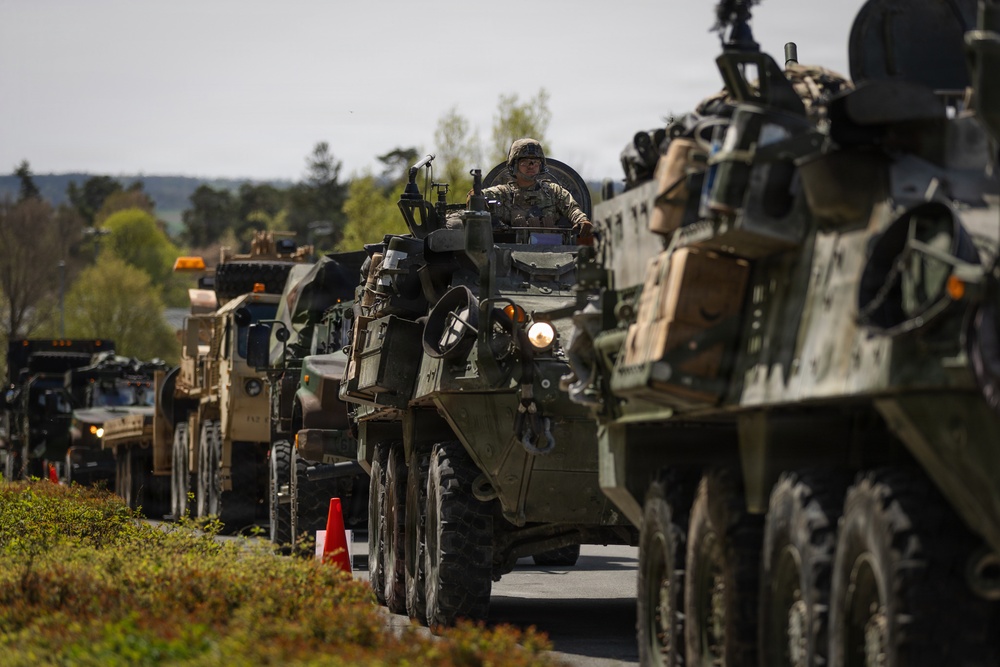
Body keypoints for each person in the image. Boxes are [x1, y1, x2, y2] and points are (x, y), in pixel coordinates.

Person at [481, 138, 594, 238]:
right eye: (524, 162)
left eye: (535, 162)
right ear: (514, 165)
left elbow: (572, 209)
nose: (531, 166)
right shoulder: (503, 194)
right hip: (513, 254)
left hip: (554, 252)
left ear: (541, 165)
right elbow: (477, 198)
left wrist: (582, 221)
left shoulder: (553, 191)